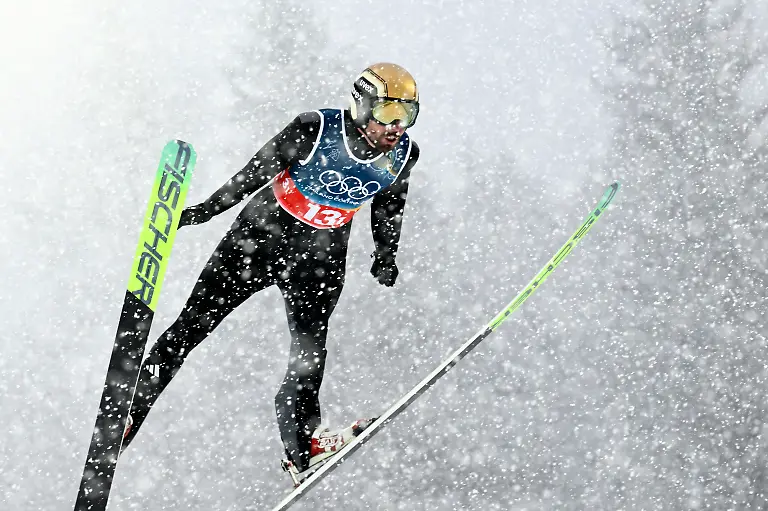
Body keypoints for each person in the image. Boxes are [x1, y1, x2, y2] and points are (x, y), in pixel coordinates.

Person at [121, 63, 421, 480]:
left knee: (310, 352)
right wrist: (207, 210)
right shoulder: (315, 129)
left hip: (319, 259)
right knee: (193, 325)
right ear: (362, 105)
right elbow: (255, 171)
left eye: (407, 116)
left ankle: (305, 444)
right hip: (262, 236)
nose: (396, 127)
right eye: (388, 114)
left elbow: (390, 206)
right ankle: (130, 410)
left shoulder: (403, 155)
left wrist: (386, 254)